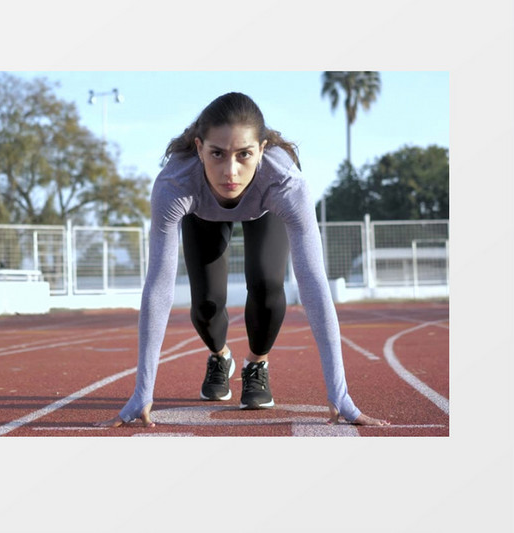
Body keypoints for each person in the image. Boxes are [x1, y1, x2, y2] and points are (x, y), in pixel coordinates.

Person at [95, 92, 389, 429]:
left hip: (264, 207)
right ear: (199, 147)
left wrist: (341, 394)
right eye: (217, 154)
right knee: (205, 304)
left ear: (262, 150)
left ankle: (256, 364)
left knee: (266, 283)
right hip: (201, 210)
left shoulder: (286, 183)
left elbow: (313, 282)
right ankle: (220, 357)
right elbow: (159, 287)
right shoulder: (175, 184)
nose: (230, 171)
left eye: (244, 155)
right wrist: (142, 392)